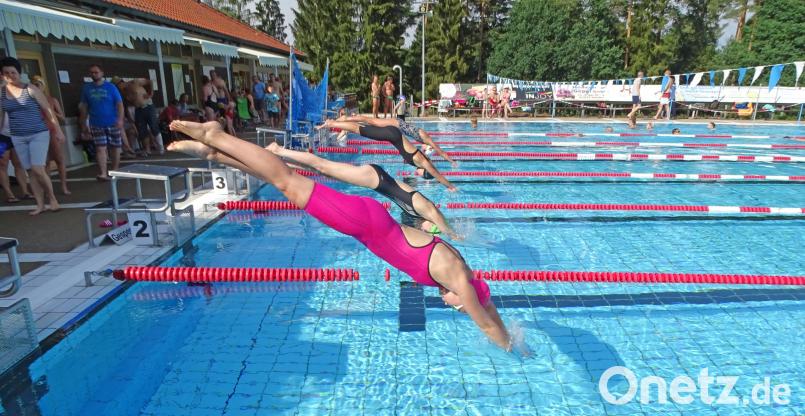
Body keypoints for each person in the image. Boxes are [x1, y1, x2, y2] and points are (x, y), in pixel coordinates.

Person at [167, 119, 514, 351]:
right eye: (455, 306)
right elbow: (485, 323)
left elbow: (488, 308)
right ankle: (216, 136)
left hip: (370, 222)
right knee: (287, 181)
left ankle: (214, 153)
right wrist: (513, 352)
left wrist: (508, 331)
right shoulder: (457, 277)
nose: (448, 304)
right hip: (365, 224)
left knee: (288, 184)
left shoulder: (458, 272)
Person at [267, 143, 459, 239]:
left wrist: (443, 232)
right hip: (375, 178)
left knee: (325, 172)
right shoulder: (424, 207)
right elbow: (434, 211)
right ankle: (279, 150)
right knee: (324, 166)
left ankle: (284, 161)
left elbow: (427, 224)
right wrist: (452, 234)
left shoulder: (415, 215)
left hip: (375, 178)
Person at [319, 118, 457, 192]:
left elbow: (431, 172)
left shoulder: (421, 159)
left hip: (394, 134)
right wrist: (450, 186)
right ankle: (332, 123)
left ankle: (339, 121)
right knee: (360, 128)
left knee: (366, 124)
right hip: (393, 135)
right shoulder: (422, 161)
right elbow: (436, 174)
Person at [0, 57, 63, 215]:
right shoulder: (1, 93)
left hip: (38, 133)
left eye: (13, 72)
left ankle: (53, 199)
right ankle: (40, 204)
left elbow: (48, 110)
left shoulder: (30, 89)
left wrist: (59, 130)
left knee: (37, 168)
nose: (10, 75)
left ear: (19, 73)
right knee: (29, 171)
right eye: (6, 73)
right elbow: (1, 116)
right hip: (17, 135)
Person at [338, 114, 458, 168]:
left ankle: (348, 122)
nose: (424, 149)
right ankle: (346, 118)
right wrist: (451, 161)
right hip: (397, 124)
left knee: (371, 123)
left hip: (398, 125)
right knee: (371, 121)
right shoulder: (426, 139)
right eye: (426, 150)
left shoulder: (424, 139)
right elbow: (440, 151)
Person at [30, 76, 70, 195]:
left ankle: (64, 186)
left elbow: (62, 117)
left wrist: (51, 112)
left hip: (52, 131)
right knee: (45, 162)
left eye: (39, 84)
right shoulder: (31, 102)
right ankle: (48, 189)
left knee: (59, 159)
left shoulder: (51, 99)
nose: (37, 86)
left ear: (43, 86)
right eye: (34, 84)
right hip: (39, 132)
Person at [126, 78, 165, 155]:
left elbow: (150, 81)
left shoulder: (135, 82)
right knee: (142, 130)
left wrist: (151, 93)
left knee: (153, 127)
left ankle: (161, 148)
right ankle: (147, 150)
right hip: (138, 109)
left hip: (148, 106)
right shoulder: (123, 92)